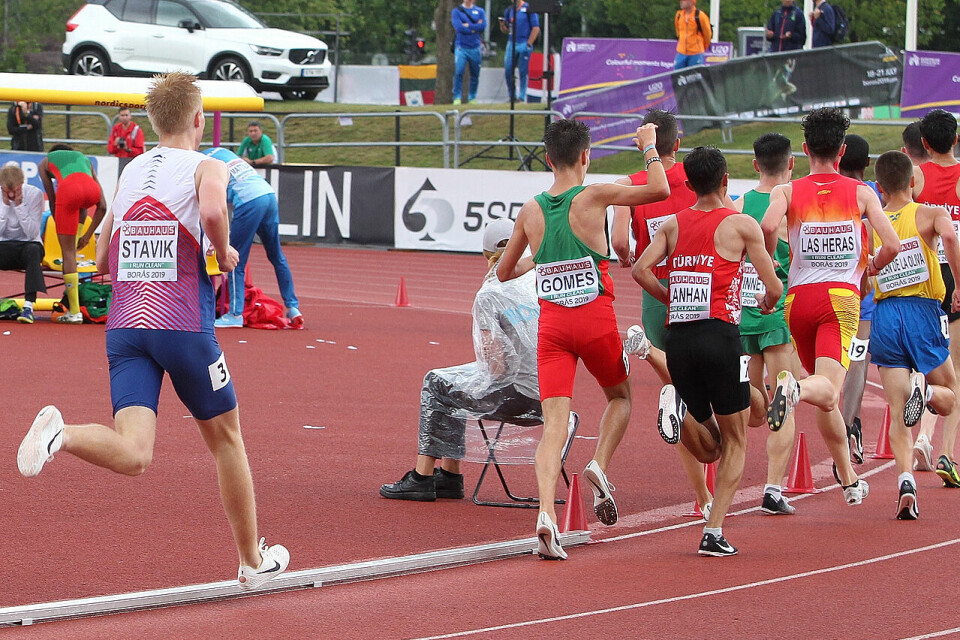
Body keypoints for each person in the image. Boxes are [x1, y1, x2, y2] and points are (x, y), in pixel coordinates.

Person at [16, 72, 290, 591]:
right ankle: (252, 562)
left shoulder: (133, 167)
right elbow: (212, 210)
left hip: (125, 329)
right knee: (227, 440)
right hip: (182, 326)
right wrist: (223, 249)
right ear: (198, 119)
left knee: (136, 453)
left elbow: (100, 255)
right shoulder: (208, 164)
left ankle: (63, 435)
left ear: (150, 122)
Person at [497, 120, 669, 560]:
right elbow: (659, 190)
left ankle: (544, 515)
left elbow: (503, 271)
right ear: (586, 157)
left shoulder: (530, 210)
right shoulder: (594, 195)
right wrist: (649, 147)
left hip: (552, 329)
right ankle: (598, 465)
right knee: (621, 397)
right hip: (594, 320)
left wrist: (539, 262)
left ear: (549, 159)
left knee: (553, 425)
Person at [634, 146, 782, 556]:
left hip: (679, 341)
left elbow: (638, 269)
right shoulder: (741, 224)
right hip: (720, 338)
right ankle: (713, 531)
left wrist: (669, 299)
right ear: (725, 181)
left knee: (715, 444)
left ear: (690, 183)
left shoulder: (673, 224)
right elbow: (773, 287)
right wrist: (769, 303)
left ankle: (678, 412)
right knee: (737, 440)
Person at [760, 107, 900, 506]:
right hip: (840, 300)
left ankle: (849, 478)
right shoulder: (860, 192)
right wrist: (868, 268)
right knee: (820, 388)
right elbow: (891, 244)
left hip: (797, 301)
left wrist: (772, 269)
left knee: (827, 395)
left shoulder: (786, 192)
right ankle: (793, 387)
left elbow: (768, 227)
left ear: (805, 150)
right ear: (842, 151)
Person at [381, 219, 542, 501]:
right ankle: (450, 474)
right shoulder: (537, 283)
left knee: (436, 383)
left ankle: (423, 476)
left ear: (484, 255)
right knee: (451, 383)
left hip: (518, 398)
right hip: (552, 395)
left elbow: (497, 366)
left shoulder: (489, 294)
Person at [611, 109, 714, 519]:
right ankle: (711, 493)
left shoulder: (630, 184)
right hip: (705, 290)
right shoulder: (698, 175)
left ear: (643, 143)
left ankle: (702, 496)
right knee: (713, 390)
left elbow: (619, 240)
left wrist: (628, 254)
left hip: (657, 293)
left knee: (680, 388)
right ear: (678, 141)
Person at [868, 150, 960, 519]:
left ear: (878, 188)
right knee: (951, 396)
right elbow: (950, 238)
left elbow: (863, 271)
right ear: (912, 183)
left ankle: (906, 480)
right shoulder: (929, 214)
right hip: (922, 312)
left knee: (896, 409)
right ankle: (926, 394)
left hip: (886, 316)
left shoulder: (871, 223)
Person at [732, 133, 803, 515]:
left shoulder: (740, 205)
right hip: (778, 313)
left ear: (755, 164)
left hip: (744, 315)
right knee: (785, 397)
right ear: (791, 164)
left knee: (748, 404)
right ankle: (773, 488)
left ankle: (727, 481)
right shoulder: (793, 202)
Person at [910, 109, 960, 486]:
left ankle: (922, 438)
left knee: (928, 361)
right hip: (954, 277)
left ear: (923, 143)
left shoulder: (915, 177)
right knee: (955, 373)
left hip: (920, 277)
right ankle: (944, 452)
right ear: (955, 140)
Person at [203, 146, 303, 328]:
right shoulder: (221, 151)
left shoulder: (199, 162)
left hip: (249, 200)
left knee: (233, 258)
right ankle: (293, 307)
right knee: (276, 256)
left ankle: (235, 315)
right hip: (267, 194)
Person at [836, 134, 879, 466]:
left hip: (824, 294)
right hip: (863, 299)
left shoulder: (827, 192)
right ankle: (849, 424)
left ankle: (846, 427)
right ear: (868, 164)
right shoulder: (876, 196)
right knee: (857, 365)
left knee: (824, 365)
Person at [37, 143, 107, 324]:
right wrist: (87, 235)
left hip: (68, 191)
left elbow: (53, 201)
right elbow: (102, 207)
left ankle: (74, 312)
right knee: (79, 208)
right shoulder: (84, 159)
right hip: (91, 190)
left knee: (67, 253)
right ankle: (77, 241)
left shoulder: (45, 163)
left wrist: (61, 229)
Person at [0, 162, 46, 323]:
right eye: (7, 192)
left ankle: (28, 306)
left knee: (33, 250)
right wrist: (5, 206)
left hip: (28, 245)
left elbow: (33, 233)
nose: (12, 195)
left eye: (15, 191)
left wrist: (19, 205)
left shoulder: (34, 194)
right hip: (3, 245)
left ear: (21, 184)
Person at [500, 0, 540, 103]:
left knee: (523, 71)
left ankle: (522, 96)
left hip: (524, 42)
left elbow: (535, 28)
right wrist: (502, 25)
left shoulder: (529, 8)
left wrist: (529, 44)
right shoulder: (509, 10)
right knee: (508, 69)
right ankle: (512, 95)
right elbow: (507, 29)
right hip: (511, 43)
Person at [452, 0, 486, 105]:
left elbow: (483, 26)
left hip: (475, 47)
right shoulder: (457, 11)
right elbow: (459, 27)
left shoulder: (480, 11)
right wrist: (474, 28)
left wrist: (468, 25)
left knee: (475, 73)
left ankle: (472, 97)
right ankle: (457, 97)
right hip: (461, 46)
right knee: (459, 71)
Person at [674, 0, 712, 70]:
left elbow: (708, 35)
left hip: (696, 53)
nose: (681, 2)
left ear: (692, 2)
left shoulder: (700, 16)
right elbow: (678, 32)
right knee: (678, 77)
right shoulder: (679, 15)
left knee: (694, 77)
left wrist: (700, 47)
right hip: (681, 52)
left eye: (684, 0)